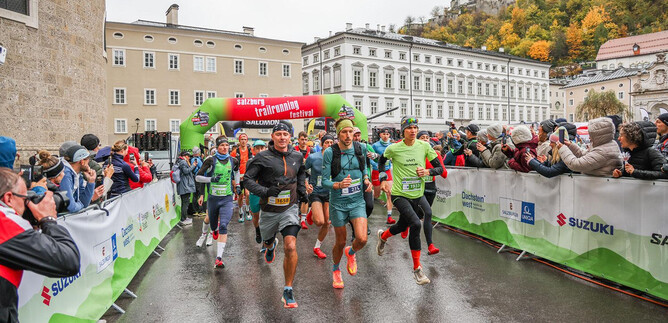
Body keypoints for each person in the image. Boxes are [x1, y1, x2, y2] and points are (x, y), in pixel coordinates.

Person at [0, 168, 81, 323]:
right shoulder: (5, 226)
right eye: (25, 199)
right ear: (9, 198)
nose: (27, 206)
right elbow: (68, 261)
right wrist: (48, 219)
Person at [244, 122, 307, 308]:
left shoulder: (297, 156)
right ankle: (270, 245)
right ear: (272, 137)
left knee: (290, 246)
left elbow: (301, 173)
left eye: (285, 134)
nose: (282, 137)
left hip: (290, 208)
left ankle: (288, 290)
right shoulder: (261, 157)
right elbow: (247, 180)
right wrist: (264, 191)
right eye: (278, 134)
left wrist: (302, 191)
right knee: (267, 241)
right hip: (269, 211)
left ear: (290, 137)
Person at [375, 116, 444, 285]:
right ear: (403, 130)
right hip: (400, 194)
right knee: (415, 224)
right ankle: (417, 269)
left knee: (401, 226)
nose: (413, 131)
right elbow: (381, 161)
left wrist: (428, 172)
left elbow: (440, 168)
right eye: (409, 128)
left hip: (417, 194)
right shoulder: (394, 148)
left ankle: (383, 237)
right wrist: (383, 179)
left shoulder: (425, 146)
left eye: (415, 127)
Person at [322, 120, 371, 289]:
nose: (348, 135)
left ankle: (351, 253)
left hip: (357, 200)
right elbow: (324, 182)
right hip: (338, 202)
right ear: (338, 134)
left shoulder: (360, 148)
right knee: (340, 241)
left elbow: (365, 168)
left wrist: (366, 179)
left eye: (351, 131)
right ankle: (336, 269)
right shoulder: (330, 152)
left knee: (362, 238)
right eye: (344, 132)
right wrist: (338, 185)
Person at [195, 137, 240, 268]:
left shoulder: (233, 160)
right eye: (222, 145)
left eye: (227, 145)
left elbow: (236, 173)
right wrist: (211, 179)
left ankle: (219, 258)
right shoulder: (210, 160)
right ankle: (212, 230)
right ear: (217, 147)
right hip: (213, 199)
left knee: (224, 225)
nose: (225, 148)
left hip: (227, 198)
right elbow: (198, 177)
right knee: (213, 224)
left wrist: (237, 185)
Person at [558, 117, 622, 177]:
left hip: (598, 186)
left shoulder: (602, 151)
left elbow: (575, 164)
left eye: (591, 135)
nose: (589, 137)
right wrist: (571, 145)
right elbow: (586, 155)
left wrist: (563, 148)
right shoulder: (608, 145)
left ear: (598, 135)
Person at [304, 134, 334, 259]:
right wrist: (306, 184)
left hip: (329, 193)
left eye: (332, 143)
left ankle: (317, 247)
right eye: (327, 142)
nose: (329, 145)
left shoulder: (335, 158)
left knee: (327, 222)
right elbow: (302, 171)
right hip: (316, 191)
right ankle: (312, 213)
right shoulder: (313, 157)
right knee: (319, 221)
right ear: (322, 144)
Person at [417, 132, 447, 254]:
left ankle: (405, 224)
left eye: (427, 138)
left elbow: (444, 173)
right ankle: (430, 245)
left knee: (422, 215)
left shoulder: (434, 154)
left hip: (431, 188)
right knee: (428, 213)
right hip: (418, 188)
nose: (425, 140)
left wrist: (429, 171)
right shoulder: (416, 154)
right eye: (422, 138)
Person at [60, 144, 103, 213]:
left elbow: (85, 201)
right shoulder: (65, 174)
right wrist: (81, 205)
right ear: (82, 162)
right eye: (88, 160)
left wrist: (91, 181)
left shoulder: (77, 173)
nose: (89, 162)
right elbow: (71, 206)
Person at [371, 128, 396, 224]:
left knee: (389, 193)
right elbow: (370, 157)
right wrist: (375, 165)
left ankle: (389, 217)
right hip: (377, 172)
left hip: (387, 171)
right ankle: (368, 197)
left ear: (389, 135)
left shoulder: (392, 145)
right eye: (383, 134)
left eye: (387, 134)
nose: (385, 136)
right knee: (377, 195)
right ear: (380, 135)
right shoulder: (375, 145)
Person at [247, 140, 267, 247]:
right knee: (256, 216)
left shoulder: (269, 161)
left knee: (265, 216)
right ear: (253, 150)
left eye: (262, 148)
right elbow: (248, 178)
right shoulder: (250, 162)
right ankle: (257, 229)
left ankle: (266, 240)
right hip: (254, 193)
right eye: (257, 148)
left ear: (265, 149)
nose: (260, 150)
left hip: (265, 193)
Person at [230, 133, 252, 223]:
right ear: (239, 141)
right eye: (242, 139)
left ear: (247, 140)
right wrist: (233, 180)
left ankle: (247, 210)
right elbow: (230, 167)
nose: (243, 141)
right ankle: (240, 211)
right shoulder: (234, 152)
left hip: (248, 176)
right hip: (238, 176)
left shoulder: (251, 150)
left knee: (247, 194)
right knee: (240, 196)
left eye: (245, 139)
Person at [175, 151, 198, 225]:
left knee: (185, 202)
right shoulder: (183, 162)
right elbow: (186, 171)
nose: (189, 157)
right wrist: (193, 165)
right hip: (185, 186)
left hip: (184, 185)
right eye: (188, 156)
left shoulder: (180, 161)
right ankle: (183, 218)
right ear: (185, 156)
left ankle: (184, 217)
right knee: (185, 202)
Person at [295, 131, 311, 230]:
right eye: (302, 139)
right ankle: (295, 216)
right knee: (295, 197)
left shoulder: (311, 150)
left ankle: (303, 220)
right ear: (298, 140)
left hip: (307, 176)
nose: (304, 141)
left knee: (306, 194)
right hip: (295, 176)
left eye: (305, 139)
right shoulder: (294, 150)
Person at [191, 147, 205, 215]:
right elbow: (202, 168)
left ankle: (195, 210)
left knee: (195, 194)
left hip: (194, 178)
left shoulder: (192, 159)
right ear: (198, 152)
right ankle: (200, 210)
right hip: (199, 178)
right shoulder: (198, 160)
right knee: (200, 194)